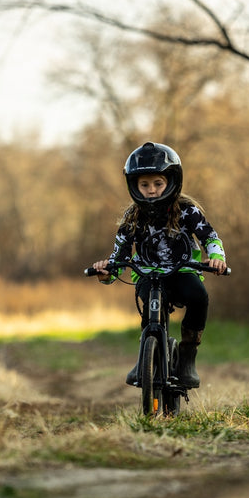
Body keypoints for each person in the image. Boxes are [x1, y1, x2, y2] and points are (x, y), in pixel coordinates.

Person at [92, 141, 227, 388]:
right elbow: (119, 256)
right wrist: (106, 273)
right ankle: (145, 356)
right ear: (134, 185)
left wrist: (217, 258)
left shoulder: (187, 211)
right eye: (144, 184)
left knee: (199, 296)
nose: (151, 190)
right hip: (147, 274)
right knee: (150, 305)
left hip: (183, 271)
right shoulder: (131, 217)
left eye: (158, 183)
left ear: (171, 182)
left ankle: (187, 355)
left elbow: (210, 237)